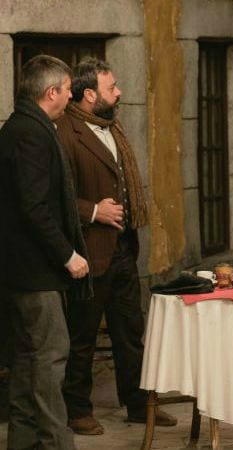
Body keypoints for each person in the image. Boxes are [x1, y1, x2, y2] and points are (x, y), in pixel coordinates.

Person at [55, 57, 176, 435]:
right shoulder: (65, 132)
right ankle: (77, 409)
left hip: (123, 247)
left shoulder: (112, 126)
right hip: (89, 251)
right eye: (111, 88)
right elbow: (55, 196)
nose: (119, 92)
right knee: (83, 335)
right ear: (90, 95)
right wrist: (94, 211)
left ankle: (138, 404)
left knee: (130, 331)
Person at [0, 54, 90, 450]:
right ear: (51, 92)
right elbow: (34, 208)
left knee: (26, 359)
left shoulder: (20, 126)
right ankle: (56, 443)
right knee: (50, 357)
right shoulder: (31, 133)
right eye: (68, 89)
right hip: (34, 273)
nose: (71, 96)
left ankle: (22, 442)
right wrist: (68, 255)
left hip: (20, 271)